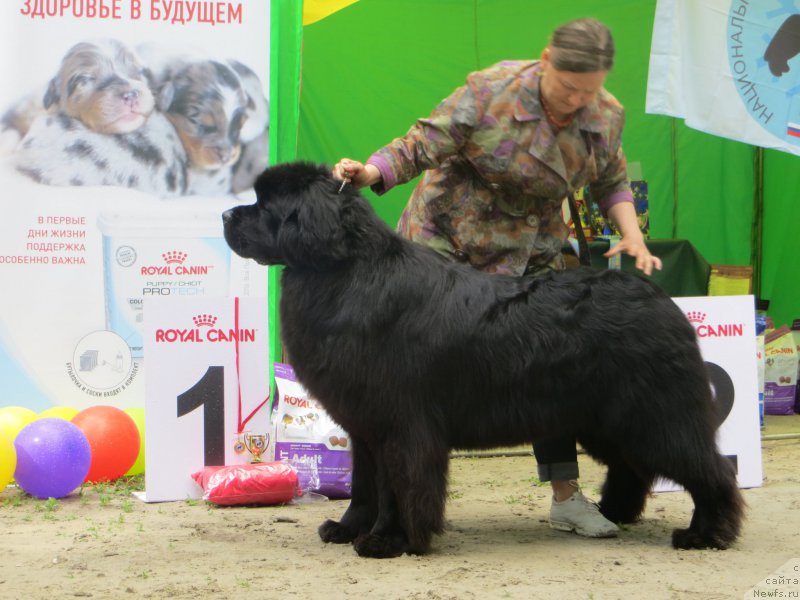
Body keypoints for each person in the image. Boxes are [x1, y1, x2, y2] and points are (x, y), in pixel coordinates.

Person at [332, 18, 662, 538]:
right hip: (448, 247)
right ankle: (386, 507)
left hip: (530, 253)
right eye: (567, 87)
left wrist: (632, 236)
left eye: (588, 90)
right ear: (546, 59)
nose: (576, 100)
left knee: (548, 368)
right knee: (407, 387)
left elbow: (611, 178)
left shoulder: (605, 114)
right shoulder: (491, 91)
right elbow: (422, 143)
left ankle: (566, 498)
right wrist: (372, 172)